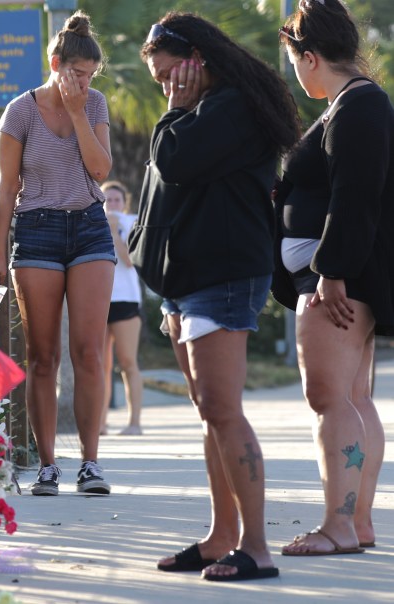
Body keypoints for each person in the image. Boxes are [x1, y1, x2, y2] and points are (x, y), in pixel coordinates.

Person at [129, 12, 300, 580]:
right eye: (156, 80)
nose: (166, 86)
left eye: (169, 73)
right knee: (210, 413)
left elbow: (174, 162)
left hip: (223, 277)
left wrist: (173, 113)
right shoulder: (203, 110)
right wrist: (176, 112)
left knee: (224, 411)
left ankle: (256, 547)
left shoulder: (231, 110)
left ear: (197, 59)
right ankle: (221, 535)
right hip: (193, 276)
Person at [273, 0, 393, 557]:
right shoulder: (351, 104)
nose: (296, 75)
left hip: (337, 282)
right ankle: (357, 523)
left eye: (294, 62)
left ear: (311, 56)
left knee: (330, 398)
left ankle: (339, 525)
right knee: (351, 396)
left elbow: (356, 195)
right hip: (337, 276)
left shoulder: (359, 105)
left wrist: (331, 271)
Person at [0, 10, 115, 497]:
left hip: (88, 229)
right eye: (76, 74)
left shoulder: (95, 105)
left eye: (89, 77)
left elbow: (101, 169)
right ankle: (45, 466)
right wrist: (0, 253)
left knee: (88, 352)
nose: (83, 82)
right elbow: (5, 190)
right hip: (36, 231)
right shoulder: (19, 112)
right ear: (55, 62)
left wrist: (79, 110)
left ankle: (90, 463)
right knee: (43, 356)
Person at [100, 180, 144, 436]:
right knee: (100, 364)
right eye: (107, 199)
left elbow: (130, 262)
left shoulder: (133, 223)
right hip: (99, 300)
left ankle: (134, 422)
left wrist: (115, 233)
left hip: (126, 300)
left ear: (124, 202)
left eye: (116, 199)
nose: (112, 204)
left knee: (128, 362)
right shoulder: (93, 222)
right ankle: (100, 423)